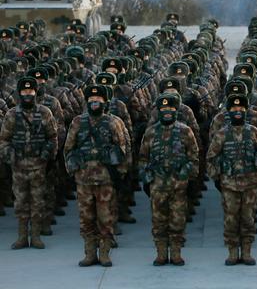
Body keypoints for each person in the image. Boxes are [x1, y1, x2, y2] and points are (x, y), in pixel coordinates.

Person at [64, 84, 128, 267]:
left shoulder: (113, 122)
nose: (94, 102)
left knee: (105, 218)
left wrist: (119, 175)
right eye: (91, 100)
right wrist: (73, 170)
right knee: (86, 219)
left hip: (105, 179)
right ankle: (90, 253)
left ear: (104, 102)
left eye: (98, 100)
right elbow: (68, 149)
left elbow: (122, 149)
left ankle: (105, 253)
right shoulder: (77, 122)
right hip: (83, 180)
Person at [206, 94, 257, 266]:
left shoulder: (253, 132)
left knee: (248, 219)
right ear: (229, 111)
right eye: (234, 109)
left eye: (241, 109)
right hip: (229, 185)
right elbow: (211, 157)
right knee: (231, 220)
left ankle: (247, 252)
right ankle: (232, 252)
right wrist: (217, 179)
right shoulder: (222, 134)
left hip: (250, 184)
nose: (238, 111)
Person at [139, 93, 199, 266]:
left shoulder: (185, 131)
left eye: (170, 109)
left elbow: (194, 156)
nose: (167, 112)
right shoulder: (151, 132)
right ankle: (161, 253)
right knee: (158, 221)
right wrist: (146, 176)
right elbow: (143, 158)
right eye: (164, 109)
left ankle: (176, 253)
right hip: (157, 185)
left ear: (176, 111)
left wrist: (185, 173)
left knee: (177, 220)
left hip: (178, 186)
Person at [0, 77, 58, 249]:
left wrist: (48, 155)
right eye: (24, 91)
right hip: (18, 166)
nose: (27, 94)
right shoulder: (11, 114)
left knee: (38, 201)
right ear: (19, 93)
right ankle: (22, 236)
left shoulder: (45, 113)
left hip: (38, 165)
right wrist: (9, 155)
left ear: (35, 92)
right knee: (20, 202)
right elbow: (4, 140)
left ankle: (36, 236)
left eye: (30, 91)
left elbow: (53, 137)